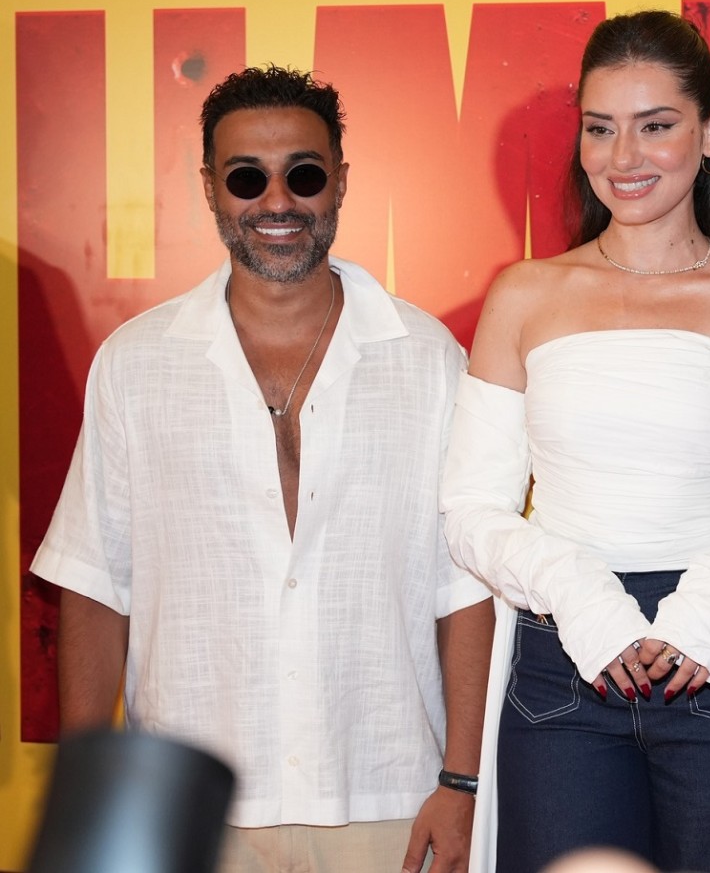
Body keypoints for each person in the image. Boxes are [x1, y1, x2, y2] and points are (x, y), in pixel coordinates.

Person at [30, 65, 496, 873]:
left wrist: (461, 781)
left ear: (340, 181)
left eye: (303, 174)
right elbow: (96, 585)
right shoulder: (136, 364)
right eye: (247, 177)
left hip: (387, 793)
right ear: (210, 187)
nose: (277, 201)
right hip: (182, 802)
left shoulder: (429, 360)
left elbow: (466, 589)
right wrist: (90, 800)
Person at [442, 10, 710, 873]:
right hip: (559, 657)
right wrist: (580, 596)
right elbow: (468, 508)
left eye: (655, 125)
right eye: (600, 128)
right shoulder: (524, 294)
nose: (623, 157)